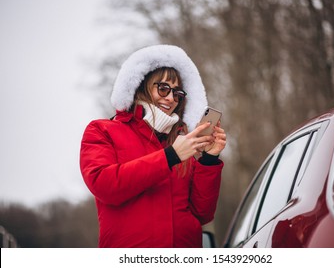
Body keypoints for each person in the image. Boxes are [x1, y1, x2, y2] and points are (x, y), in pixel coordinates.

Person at [79, 44, 226, 248]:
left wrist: (209, 160)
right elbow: (105, 186)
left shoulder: (181, 140)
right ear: (141, 85)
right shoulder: (102, 130)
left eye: (177, 93)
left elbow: (202, 214)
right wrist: (170, 157)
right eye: (163, 88)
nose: (170, 99)